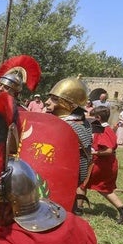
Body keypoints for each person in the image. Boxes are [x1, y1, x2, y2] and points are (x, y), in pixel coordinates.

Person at [45, 77, 92, 214]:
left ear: (69, 104)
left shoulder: (69, 127)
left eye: (54, 99)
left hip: (59, 185)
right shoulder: (81, 123)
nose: (47, 102)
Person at [86, 106, 123, 224]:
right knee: (102, 188)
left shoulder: (104, 130)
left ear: (98, 118)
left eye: (92, 117)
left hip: (103, 165)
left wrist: (93, 152)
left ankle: (78, 209)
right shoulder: (103, 129)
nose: (89, 119)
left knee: (85, 183)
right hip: (106, 164)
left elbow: (108, 150)